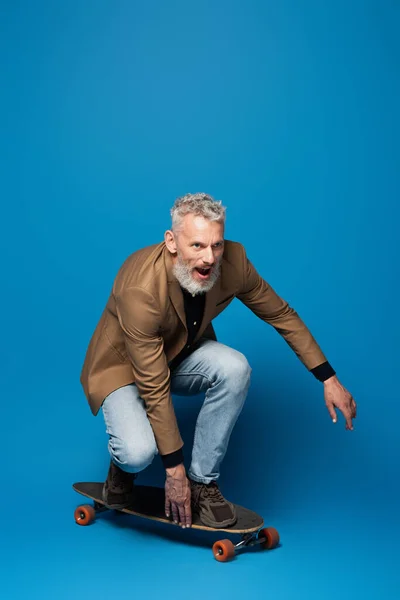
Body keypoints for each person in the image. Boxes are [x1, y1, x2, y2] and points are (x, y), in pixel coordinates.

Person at [80, 193, 356, 529]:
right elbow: (153, 385)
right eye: (197, 245)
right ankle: (121, 471)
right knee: (138, 454)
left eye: (216, 245)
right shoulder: (140, 288)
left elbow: (281, 314)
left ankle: (203, 484)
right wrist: (173, 471)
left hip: (177, 354)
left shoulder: (234, 262)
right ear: (171, 241)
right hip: (124, 370)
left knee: (235, 367)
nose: (209, 258)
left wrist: (328, 379)